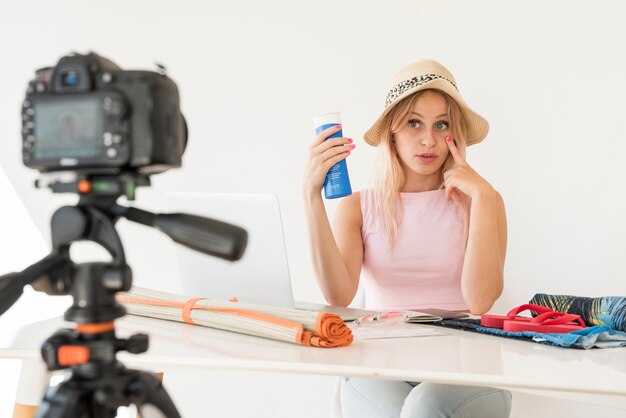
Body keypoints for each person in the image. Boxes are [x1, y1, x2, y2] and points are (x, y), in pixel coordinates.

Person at [303, 59, 512, 417]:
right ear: (392, 133)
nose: (428, 139)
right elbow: (338, 296)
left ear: (454, 135)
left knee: (424, 406)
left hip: (468, 370)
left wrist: (483, 196)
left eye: (441, 124)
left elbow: (479, 301)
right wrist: (311, 197)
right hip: (381, 364)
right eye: (414, 123)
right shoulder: (358, 207)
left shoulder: (484, 201)